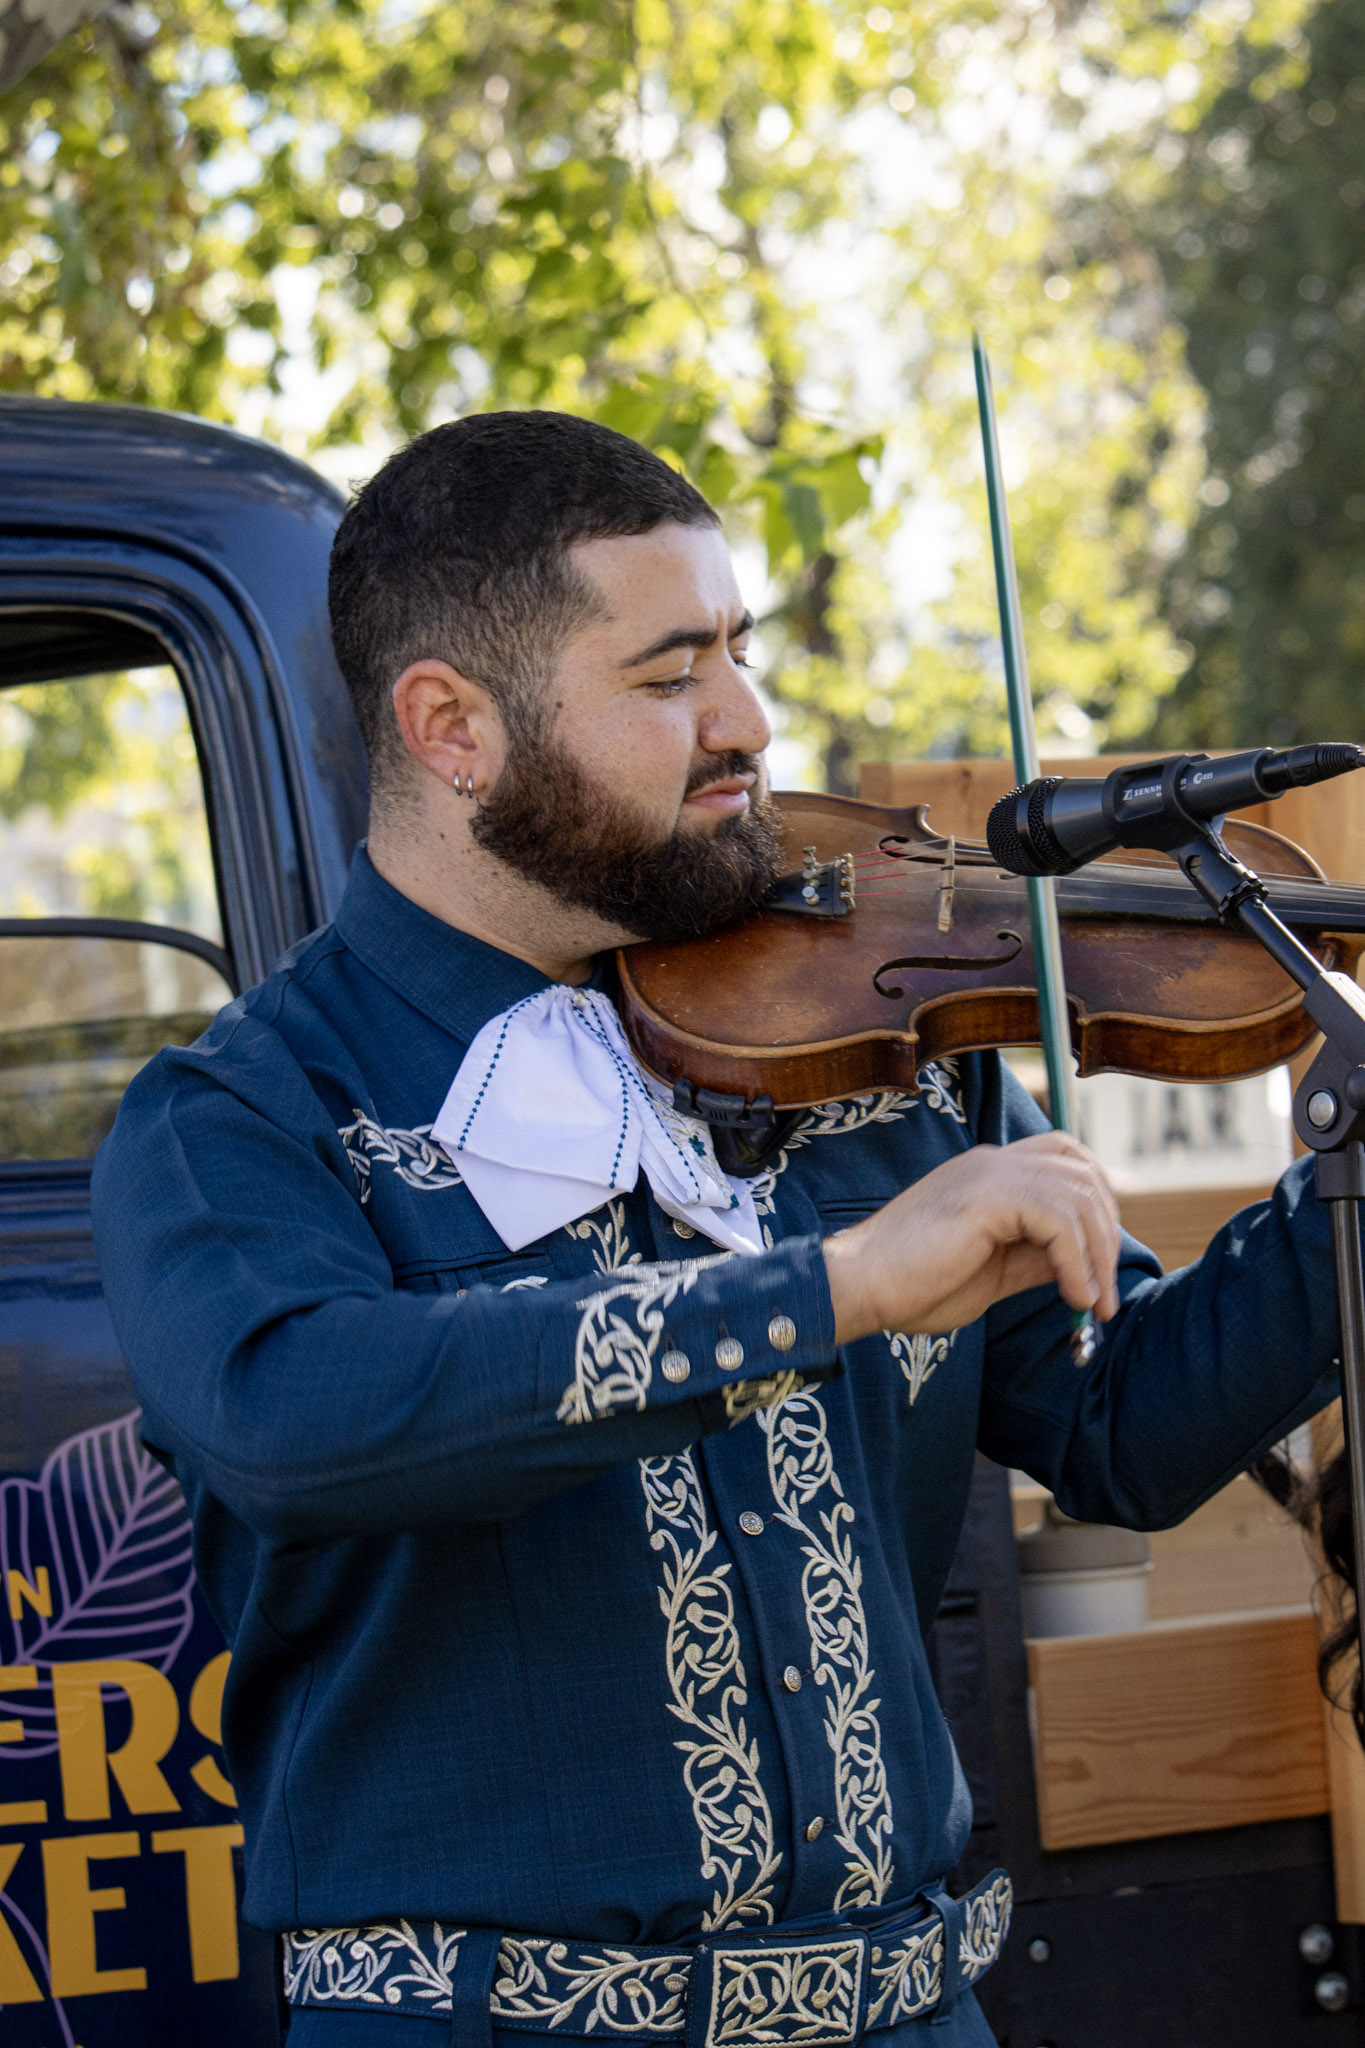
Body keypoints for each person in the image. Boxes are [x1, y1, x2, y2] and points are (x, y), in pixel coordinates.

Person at [91, 411, 1340, 2048]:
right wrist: (826, 1291)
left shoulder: (870, 1053)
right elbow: (294, 1413)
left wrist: (1344, 1193)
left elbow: (1121, 1422)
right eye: (669, 674)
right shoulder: (240, 1118)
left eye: (736, 653)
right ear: (451, 726)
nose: (746, 721)